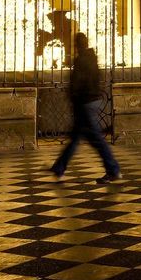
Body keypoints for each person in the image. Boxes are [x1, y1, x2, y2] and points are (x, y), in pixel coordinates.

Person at [51, 33, 120, 182]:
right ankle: (59, 167)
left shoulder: (81, 60)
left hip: (85, 103)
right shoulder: (92, 58)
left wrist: (73, 97)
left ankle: (113, 169)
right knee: (76, 138)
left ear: (77, 45)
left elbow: (78, 82)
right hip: (92, 100)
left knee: (96, 139)